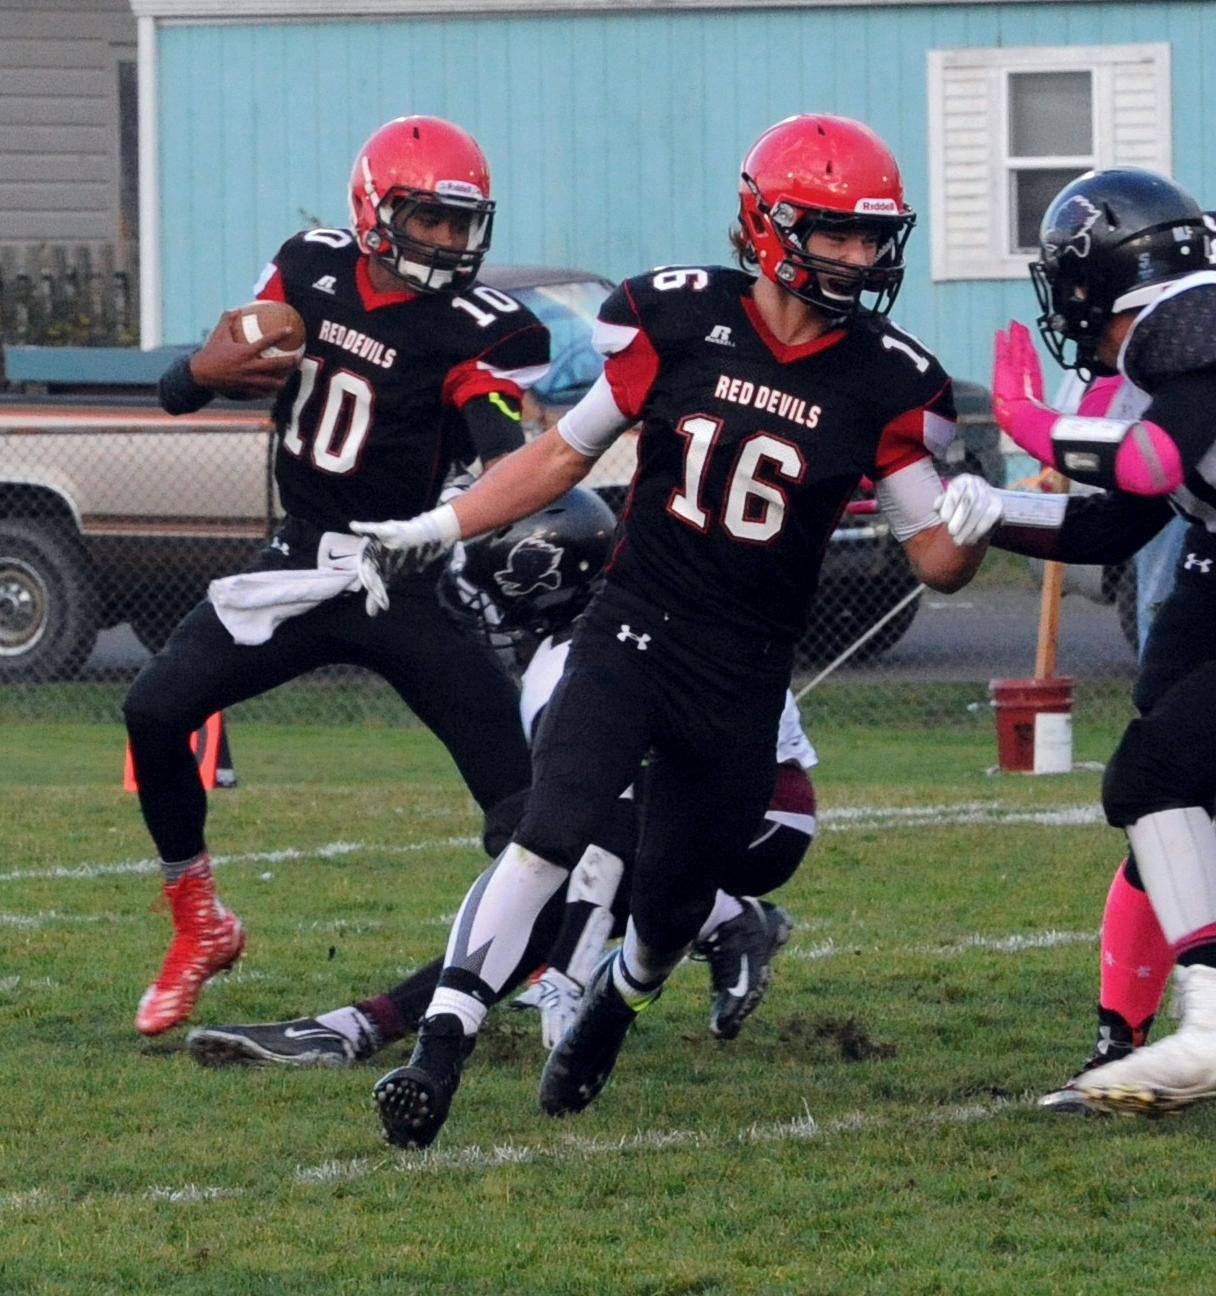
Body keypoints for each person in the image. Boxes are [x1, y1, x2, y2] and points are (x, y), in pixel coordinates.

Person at [351, 113, 989, 1149]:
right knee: (548, 826)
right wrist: (433, 526)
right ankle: (438, 1051)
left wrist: (969, 528)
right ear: (770, 226)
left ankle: (619, 999)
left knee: (670, 906)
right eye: (836, 233)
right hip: (635, 623)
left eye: (873, 238)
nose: (861, 257)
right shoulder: (680, 318)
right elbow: (560, 455)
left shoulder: (885, 375)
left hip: (744, 672)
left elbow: (934, 563)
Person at [122, 115, 551, 1037]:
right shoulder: (308, 266)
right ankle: (199, 922)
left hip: (402, 577)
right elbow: (186, 385)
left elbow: (503, 446)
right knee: (154, 710)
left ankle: (544, 961)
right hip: (298, 560)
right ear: (374, 206)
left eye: (457, 222)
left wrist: (488, 475)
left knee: (520, 803)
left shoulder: (482, 326)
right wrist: (205, 364)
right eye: (425, 218)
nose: (443, 239)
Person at [183, 489, 818, 1070]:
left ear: (540, 578)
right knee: (531, 843)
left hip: (753, 816)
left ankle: (726, 918)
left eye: (489, 578)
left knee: (536, 857)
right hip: (741, 807)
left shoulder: (579, 660)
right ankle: (368, 1025)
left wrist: (565, 972)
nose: (474, 596)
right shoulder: (604, 628)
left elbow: (610, 839)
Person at [934, 167, 1216, 1115]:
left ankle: (1212, 1029)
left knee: (1149, 779)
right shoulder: (1155, 358)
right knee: (1170, 791)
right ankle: (1121, 1037)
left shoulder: (1194, 320)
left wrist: (1028, 426)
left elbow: (1152, 460)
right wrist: (993, 509)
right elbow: (1113, 523)